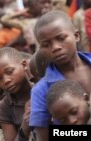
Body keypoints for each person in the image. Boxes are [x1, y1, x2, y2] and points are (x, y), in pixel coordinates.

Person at [29, 10, 91, 141]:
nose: (55, 47)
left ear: (76, 36)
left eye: (61, 38)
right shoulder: (41, 90)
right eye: (46, 45)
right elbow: (44, 137)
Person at [0, 47, 32, 141]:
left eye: (9, 72)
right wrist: (24, 127)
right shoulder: (4, 107)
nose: (6, 80)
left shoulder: (43, 91)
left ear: (24, 65)